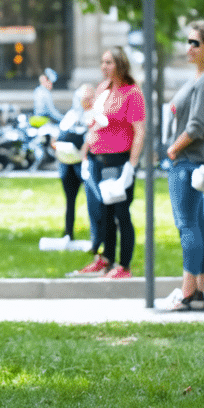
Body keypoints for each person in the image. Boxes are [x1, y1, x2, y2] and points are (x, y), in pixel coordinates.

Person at [162, 23, 204, 311]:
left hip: (188, 160)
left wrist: (173, 149)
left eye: (196, 44)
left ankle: (188, 293)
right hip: (188, 161)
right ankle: (202, 292)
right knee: (197, 224)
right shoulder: (199, 79)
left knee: (187, 225)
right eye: (188, 42)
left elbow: (198, 126)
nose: (189, 48)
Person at [72, 47, 145, 278]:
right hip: (97, 159)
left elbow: (139, 131)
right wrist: (85, 152)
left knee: (121, 213)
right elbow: (94, 123)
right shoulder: (103, 89)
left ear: (120, 65)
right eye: (103, 62)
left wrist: (131, 166)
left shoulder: (132, 93)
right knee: (102, 212)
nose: (104, 67)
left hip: (118, 160)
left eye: (109, 63)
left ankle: (123, 265)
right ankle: (105, 259)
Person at [44, 84, 95, 250]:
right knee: (70, 200)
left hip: (84, 163)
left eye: (89, 98)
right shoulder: (71, 115)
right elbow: (59, 133)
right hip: (66, 163)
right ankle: (68, 232)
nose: (86, 101)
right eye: (83, 98)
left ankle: (96, 235)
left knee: (92, 199)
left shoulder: (94, 116)